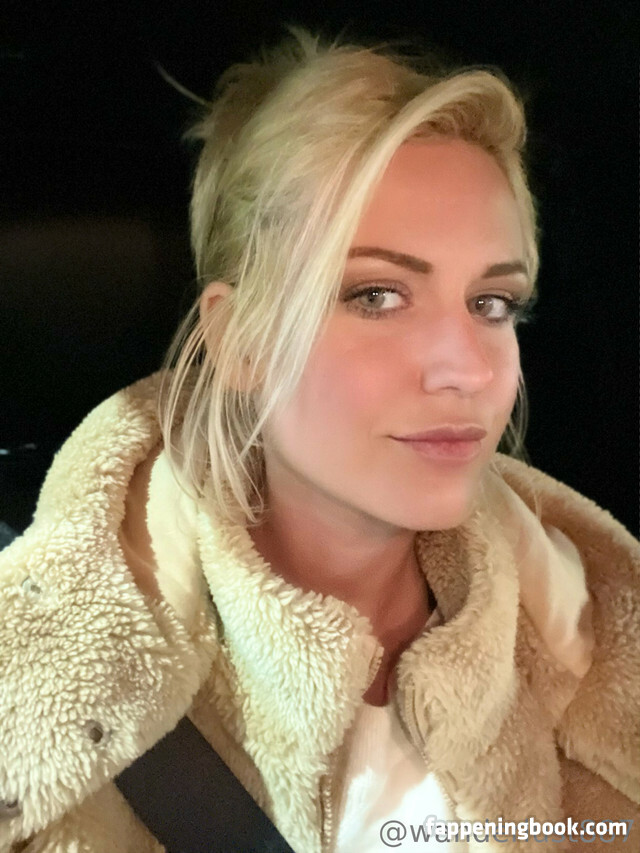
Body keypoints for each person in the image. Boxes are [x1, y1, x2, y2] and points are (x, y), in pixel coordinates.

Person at [1, 27, 638, 853]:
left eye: (492, 303)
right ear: (240, 341)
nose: (467, 369)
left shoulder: (596, 628)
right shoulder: (33, 689)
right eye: (377, 295)